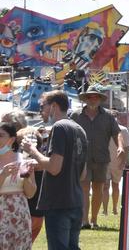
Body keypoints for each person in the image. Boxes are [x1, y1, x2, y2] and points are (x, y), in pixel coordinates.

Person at [24, 90, 88, 250]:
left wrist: (32, 150)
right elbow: (82, 173)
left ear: (53, 106)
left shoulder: (59, 127)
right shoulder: (80, 129)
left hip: (58, 203)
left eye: (42, 106)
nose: (40, 111)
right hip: (76, 201)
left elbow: (54, 168)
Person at [70, 84, 121, 229]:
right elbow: (68, 133)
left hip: (101, 158)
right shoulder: (75, 115)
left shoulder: (108, 116)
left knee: (99, 188)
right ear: (86, 99)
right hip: (82, 158)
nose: (93, 99)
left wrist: (121, 147)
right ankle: (84, 220)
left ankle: (94, 219)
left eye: (96, 97)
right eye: (90, 97)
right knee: (84, 187)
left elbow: (116, 133)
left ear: (100, 99)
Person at [0, 120, 37, 250]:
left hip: (19, 213)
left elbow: (31, 193)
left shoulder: (23, 159)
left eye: (1, 135)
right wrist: (3, 175)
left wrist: (26, 176)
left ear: (12, 139)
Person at [109, 119, 129, 215]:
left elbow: (127, 147)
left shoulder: (123, 130)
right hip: (104, 161)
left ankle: (114, 208)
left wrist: (123, 161)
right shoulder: (104, 128)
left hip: (117, 162)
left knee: (115, 185)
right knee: (105, 186)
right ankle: (105, 210)